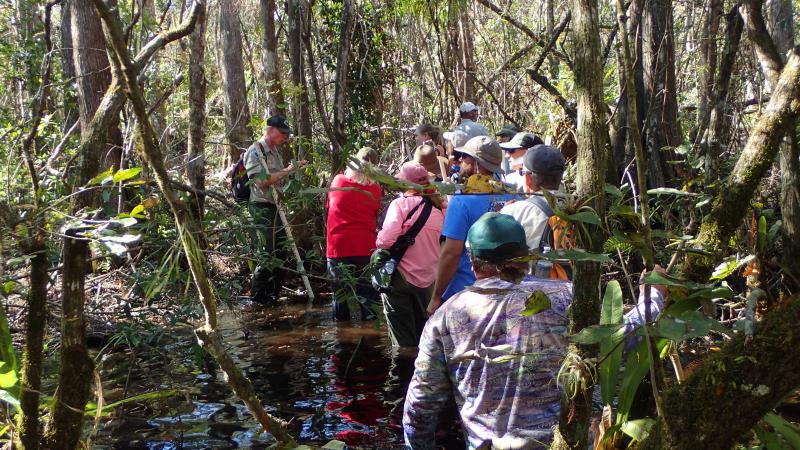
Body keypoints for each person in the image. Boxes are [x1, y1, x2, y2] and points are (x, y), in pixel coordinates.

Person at [403, 212, 572, 449]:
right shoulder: (566, 296)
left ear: (472, 263)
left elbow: (420, 406)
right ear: (526, 257)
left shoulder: (444, 318)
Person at [427, 136, 516, 316]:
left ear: (477, 164)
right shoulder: (514, 196)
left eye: (464, 157)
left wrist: (436, 297)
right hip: (506, 293)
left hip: (464, 295)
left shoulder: (462, 201)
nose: (459, 160)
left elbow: (451, 253)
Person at [376, 162, 445, 347]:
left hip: (400, 277)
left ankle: (402, 372)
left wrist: (379, 236)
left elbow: (385, 241)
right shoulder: (441, 206)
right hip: (430, 281)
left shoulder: (399, 204)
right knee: (427, 335)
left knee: (403, 340)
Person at [244, 115, 307, 305]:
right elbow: (262, 181)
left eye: (287, 134)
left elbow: (277, 179)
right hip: (261, 207)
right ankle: (257, 297)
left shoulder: (275, 153)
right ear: (270, 130)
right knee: (267, 253)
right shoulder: (255, 151)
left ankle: (274, 295)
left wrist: (290, 171)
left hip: (277, 205)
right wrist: (288, 170)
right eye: (282, 133)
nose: (285, 138)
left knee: (281, 252)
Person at [326, 147, 383, 320]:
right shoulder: (375, 190)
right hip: (365, 247)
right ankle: (371, 341)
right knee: (368, 299)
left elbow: (329, 207)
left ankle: (342, 340)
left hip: (338, 247)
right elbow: (374, 213)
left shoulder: (338, 181)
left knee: (340, 297)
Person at [499, 144, 566, 254]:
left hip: (533, 271)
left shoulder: (514, 211)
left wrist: (500, 214)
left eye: (522, 172)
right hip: (570, 271)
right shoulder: (579, 208)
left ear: (528, 178)